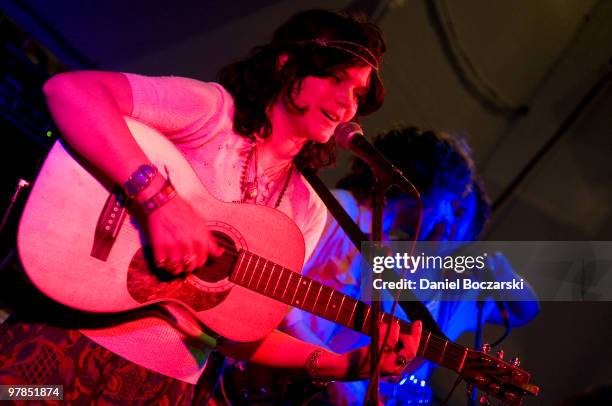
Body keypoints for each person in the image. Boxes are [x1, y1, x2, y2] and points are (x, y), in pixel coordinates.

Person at [0, 10, 422, 404]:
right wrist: (158, 201)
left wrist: (344, 364)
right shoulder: (212, 114)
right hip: (63, 342)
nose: (348, 105)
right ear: (286, 64)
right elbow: (70, 92)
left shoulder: (308, 209)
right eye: (335, 79)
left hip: (162, 390)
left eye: (359, 94)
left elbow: (238, 334)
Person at [280, 127, 539, 404]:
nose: (447, 217)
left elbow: (528, 308)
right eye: (450, 203)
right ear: (422, 186)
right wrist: (334, 370)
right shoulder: (340, 210)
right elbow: (278, 290)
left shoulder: (385, 250)